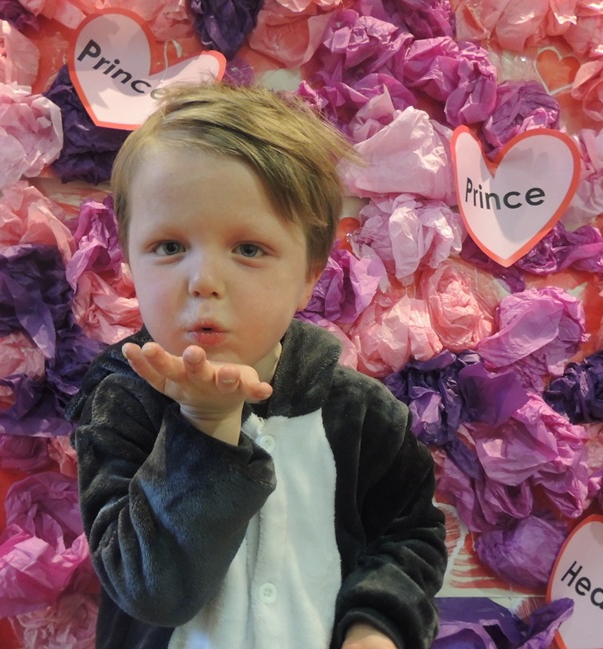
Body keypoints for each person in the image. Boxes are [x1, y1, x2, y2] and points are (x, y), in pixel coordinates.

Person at [68, 82, 447, 649]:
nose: (204, 281)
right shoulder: (119, 401)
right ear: (129, 261)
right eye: (169, 247)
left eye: (248, 249)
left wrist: (378, 622)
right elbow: (150, 590)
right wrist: (205, 426)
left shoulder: (362, 414)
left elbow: (409, 533)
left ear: (309, 275)